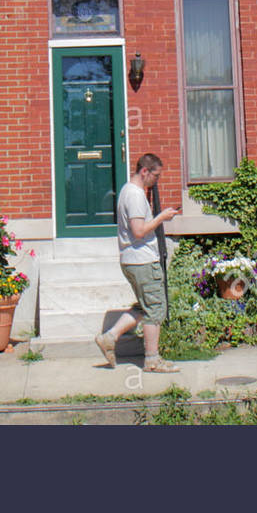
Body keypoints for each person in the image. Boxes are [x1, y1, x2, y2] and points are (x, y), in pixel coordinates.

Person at [94, 153, 181, 372]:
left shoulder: (126, 191)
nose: (157, 180)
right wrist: (162, 217)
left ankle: (109, 338)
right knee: (154, 308)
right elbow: (139, 231)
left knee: (144, 305)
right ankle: (152, 360)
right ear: (145, 171)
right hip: (141, 260)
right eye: (156, 175)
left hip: (131, 260)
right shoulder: (134, 195)